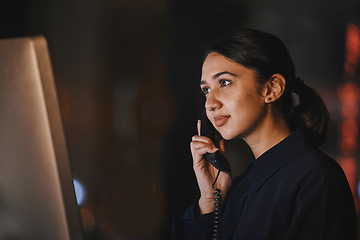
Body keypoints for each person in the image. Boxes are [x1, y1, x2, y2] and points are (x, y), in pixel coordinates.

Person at [171, 28, 357, 240]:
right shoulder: (241, 184)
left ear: (272, 89)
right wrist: (209, 200)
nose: (210, 104)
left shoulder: (315, 179)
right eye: (206, 90)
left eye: (224, 82)